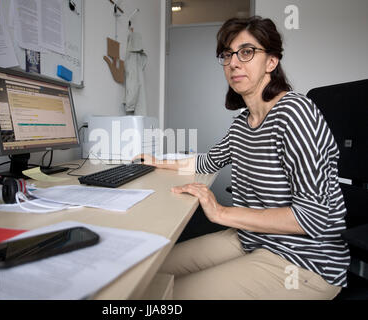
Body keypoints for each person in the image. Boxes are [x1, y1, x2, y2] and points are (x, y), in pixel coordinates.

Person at [136, 16, 350, 300]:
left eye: (246, 52)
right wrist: (153, 161)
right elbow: (205, 163)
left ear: (271, 61)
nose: (233, 63)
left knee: (168, 296)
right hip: (252, 237)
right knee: (146, 272)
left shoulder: (294, 113)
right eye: (227, 55)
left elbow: (312, 217)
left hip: (304, 261)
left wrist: (221, 212)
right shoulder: (242, 123)